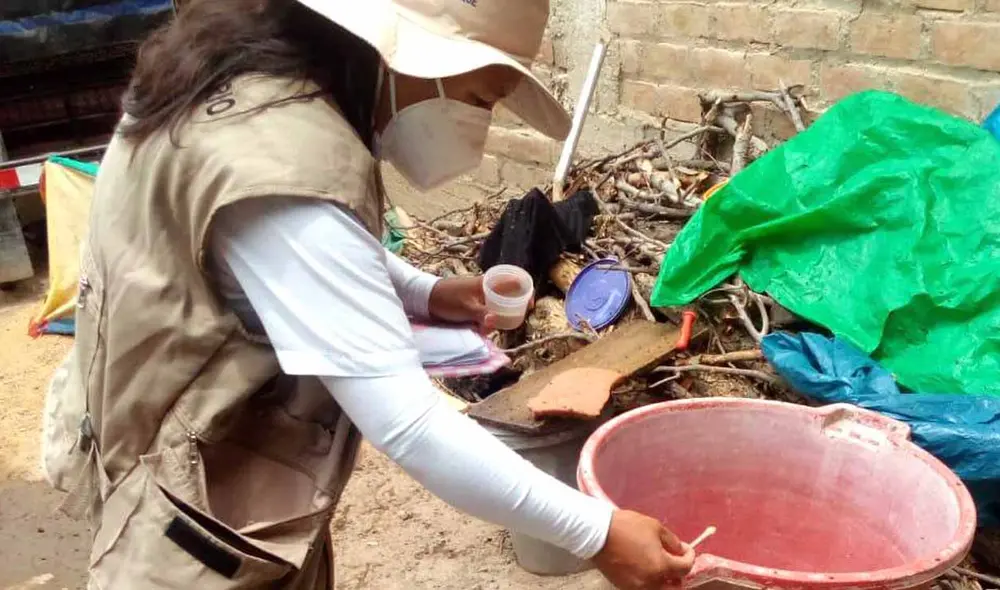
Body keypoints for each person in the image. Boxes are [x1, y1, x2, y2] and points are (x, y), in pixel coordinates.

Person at [47, 0, 695, 588]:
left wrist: (427, 292)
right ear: (405, 55)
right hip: (193, 536)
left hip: (206, 477)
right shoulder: (276, 158)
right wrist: (597, 532)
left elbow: (307, 241)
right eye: (480, 96)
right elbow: (409, 424)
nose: (480, 123)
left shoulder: (234, 87)